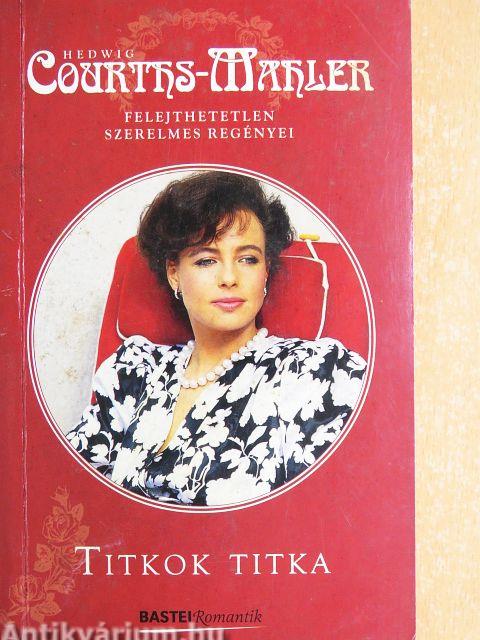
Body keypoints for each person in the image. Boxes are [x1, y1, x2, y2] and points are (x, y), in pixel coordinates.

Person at [66, 171, 366, 506]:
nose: (229, 277)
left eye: (248, 259)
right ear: (174, 273)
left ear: (265, 271)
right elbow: (67, 490)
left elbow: (326, 513)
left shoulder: (317, 372)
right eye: (207, 260)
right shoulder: (134, 370)